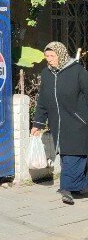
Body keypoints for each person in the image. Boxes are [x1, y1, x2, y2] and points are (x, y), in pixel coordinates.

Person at [31, 42, 88, 205]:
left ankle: (66, 189)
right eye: (47, 56)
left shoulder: (78, 71)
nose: (49, 60)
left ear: (61, 55)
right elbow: (42, 101)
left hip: (78, 122)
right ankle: (78, 187)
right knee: (66, 156)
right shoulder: (46, 74)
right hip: (58, 124)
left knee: (73, 155)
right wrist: (38, 123)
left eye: (52, 56)